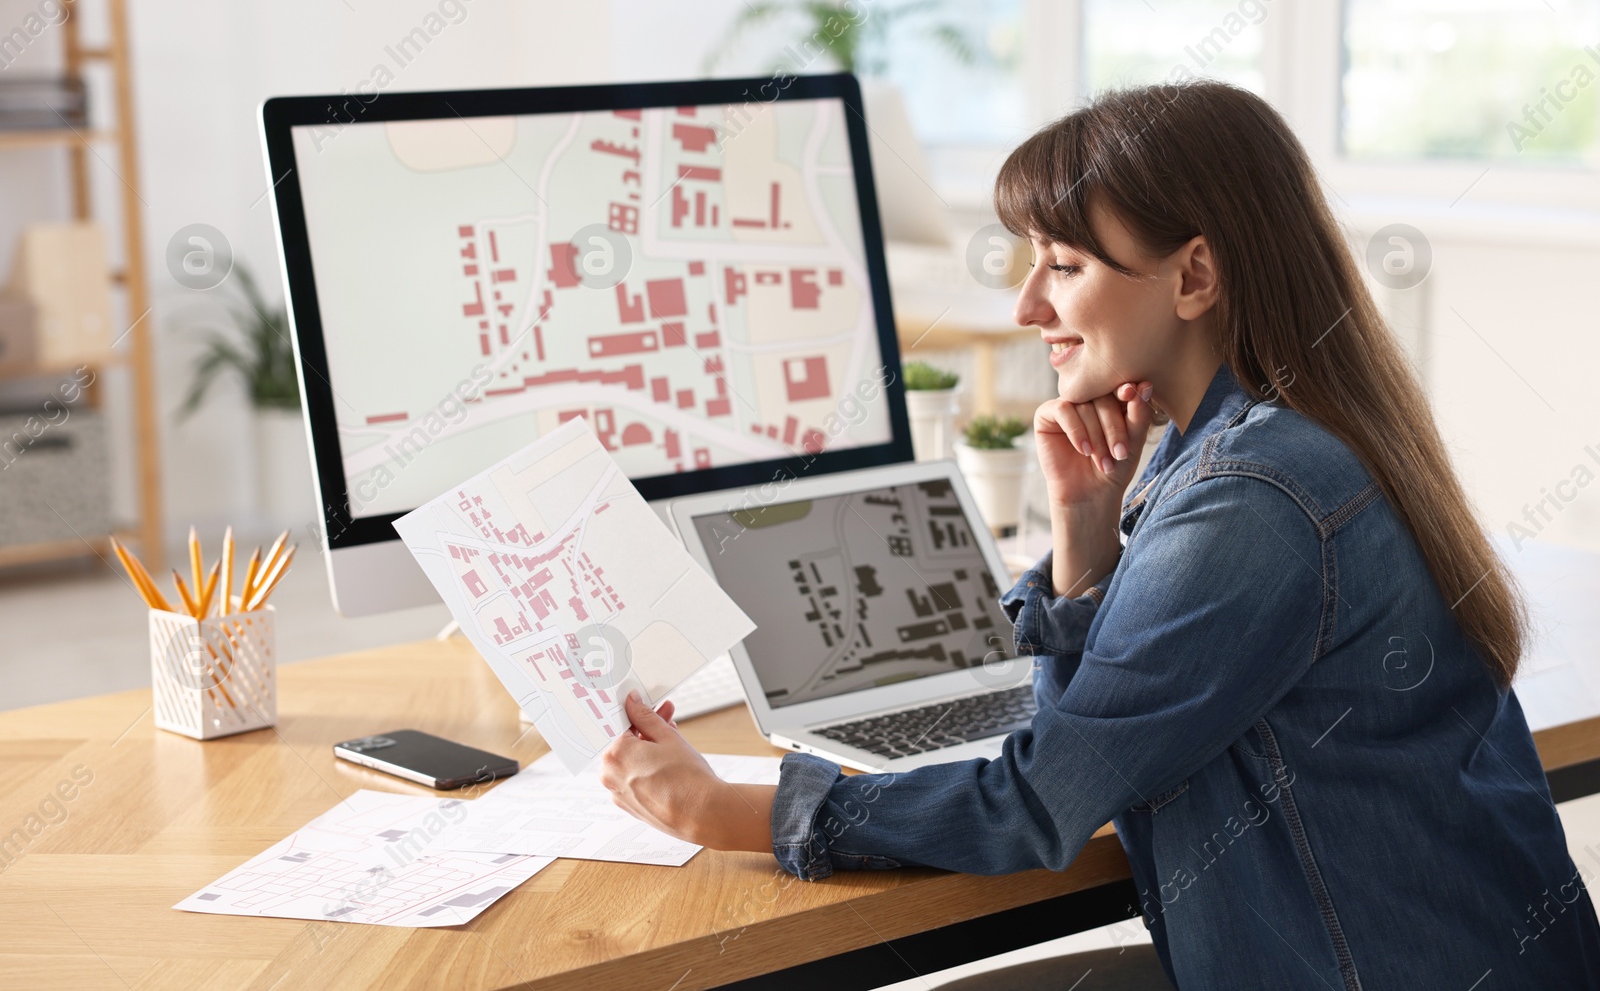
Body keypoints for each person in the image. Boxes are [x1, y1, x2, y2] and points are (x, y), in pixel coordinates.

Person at [599, 81, 1600, 989]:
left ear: (1194, 274)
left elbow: (1037, 801)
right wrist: (1084, 537)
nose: (1029, 304)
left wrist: (725, 807)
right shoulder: (1256, 441)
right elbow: (1093, 750)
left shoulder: (1254, 496)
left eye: (1064, 264)